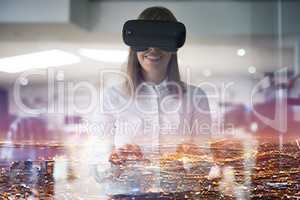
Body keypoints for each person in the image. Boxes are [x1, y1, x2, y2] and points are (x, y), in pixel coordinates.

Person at [93, 6, 211, 196]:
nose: (153, 49)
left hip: (178, 196)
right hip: (126, 195)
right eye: (147, 40)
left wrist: (192, 159)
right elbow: (98, 170)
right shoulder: (112, 97)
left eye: (161, 40)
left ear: (173, 46)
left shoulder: (196, 97)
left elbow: (204, 167)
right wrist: (114, 160)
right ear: (134, 45)